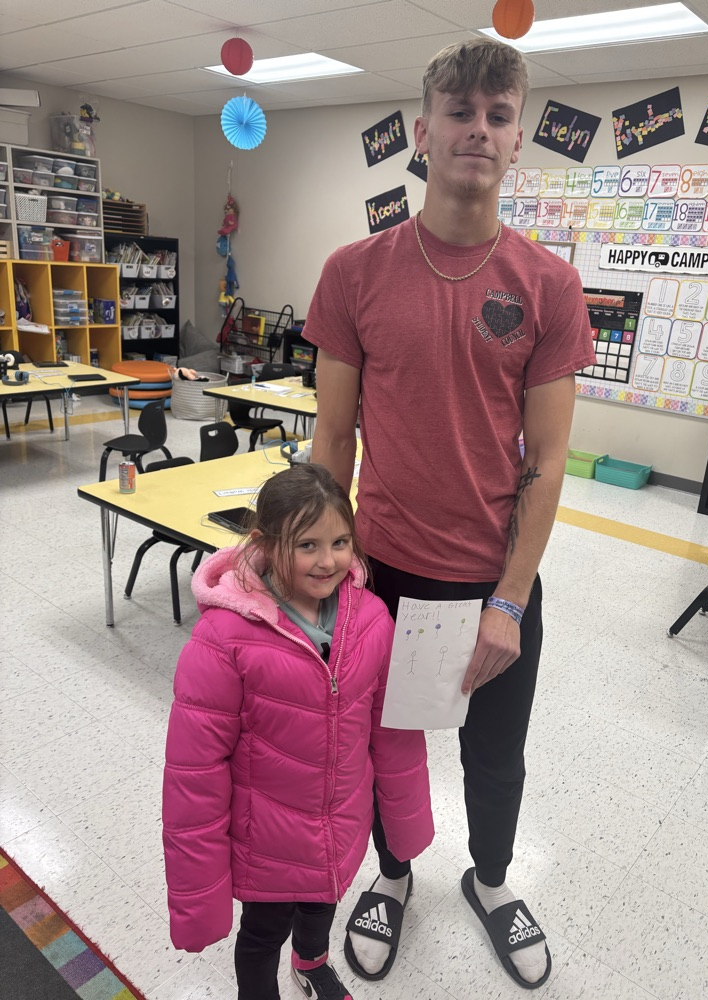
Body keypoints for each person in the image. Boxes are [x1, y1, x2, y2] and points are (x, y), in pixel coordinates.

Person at [304, 37, 596, 992]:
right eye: (460, 112)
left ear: (518, 142)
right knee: (388, 748)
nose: (478, 129)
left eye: (498, 114)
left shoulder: (548, 286)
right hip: (382, 572)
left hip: (495, 579)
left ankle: (495, 879)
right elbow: (332, 443)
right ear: (422, 132)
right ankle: (391, 877)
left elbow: (547, 465)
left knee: (494, 755)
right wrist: (319, 569)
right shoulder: (353, 273)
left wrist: (510, 602)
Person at [162, 464, 434, 1000]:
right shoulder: (223, 639)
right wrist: (198, 897)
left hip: (340, 828)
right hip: (268, 842)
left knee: (322, 907)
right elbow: (194, 775)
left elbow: (394, 736)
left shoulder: (372, 619)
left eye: (339, 542)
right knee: (262, 935)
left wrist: (406, 826)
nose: (328, 560)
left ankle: (311, 964)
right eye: (307, 545)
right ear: (264, 542)